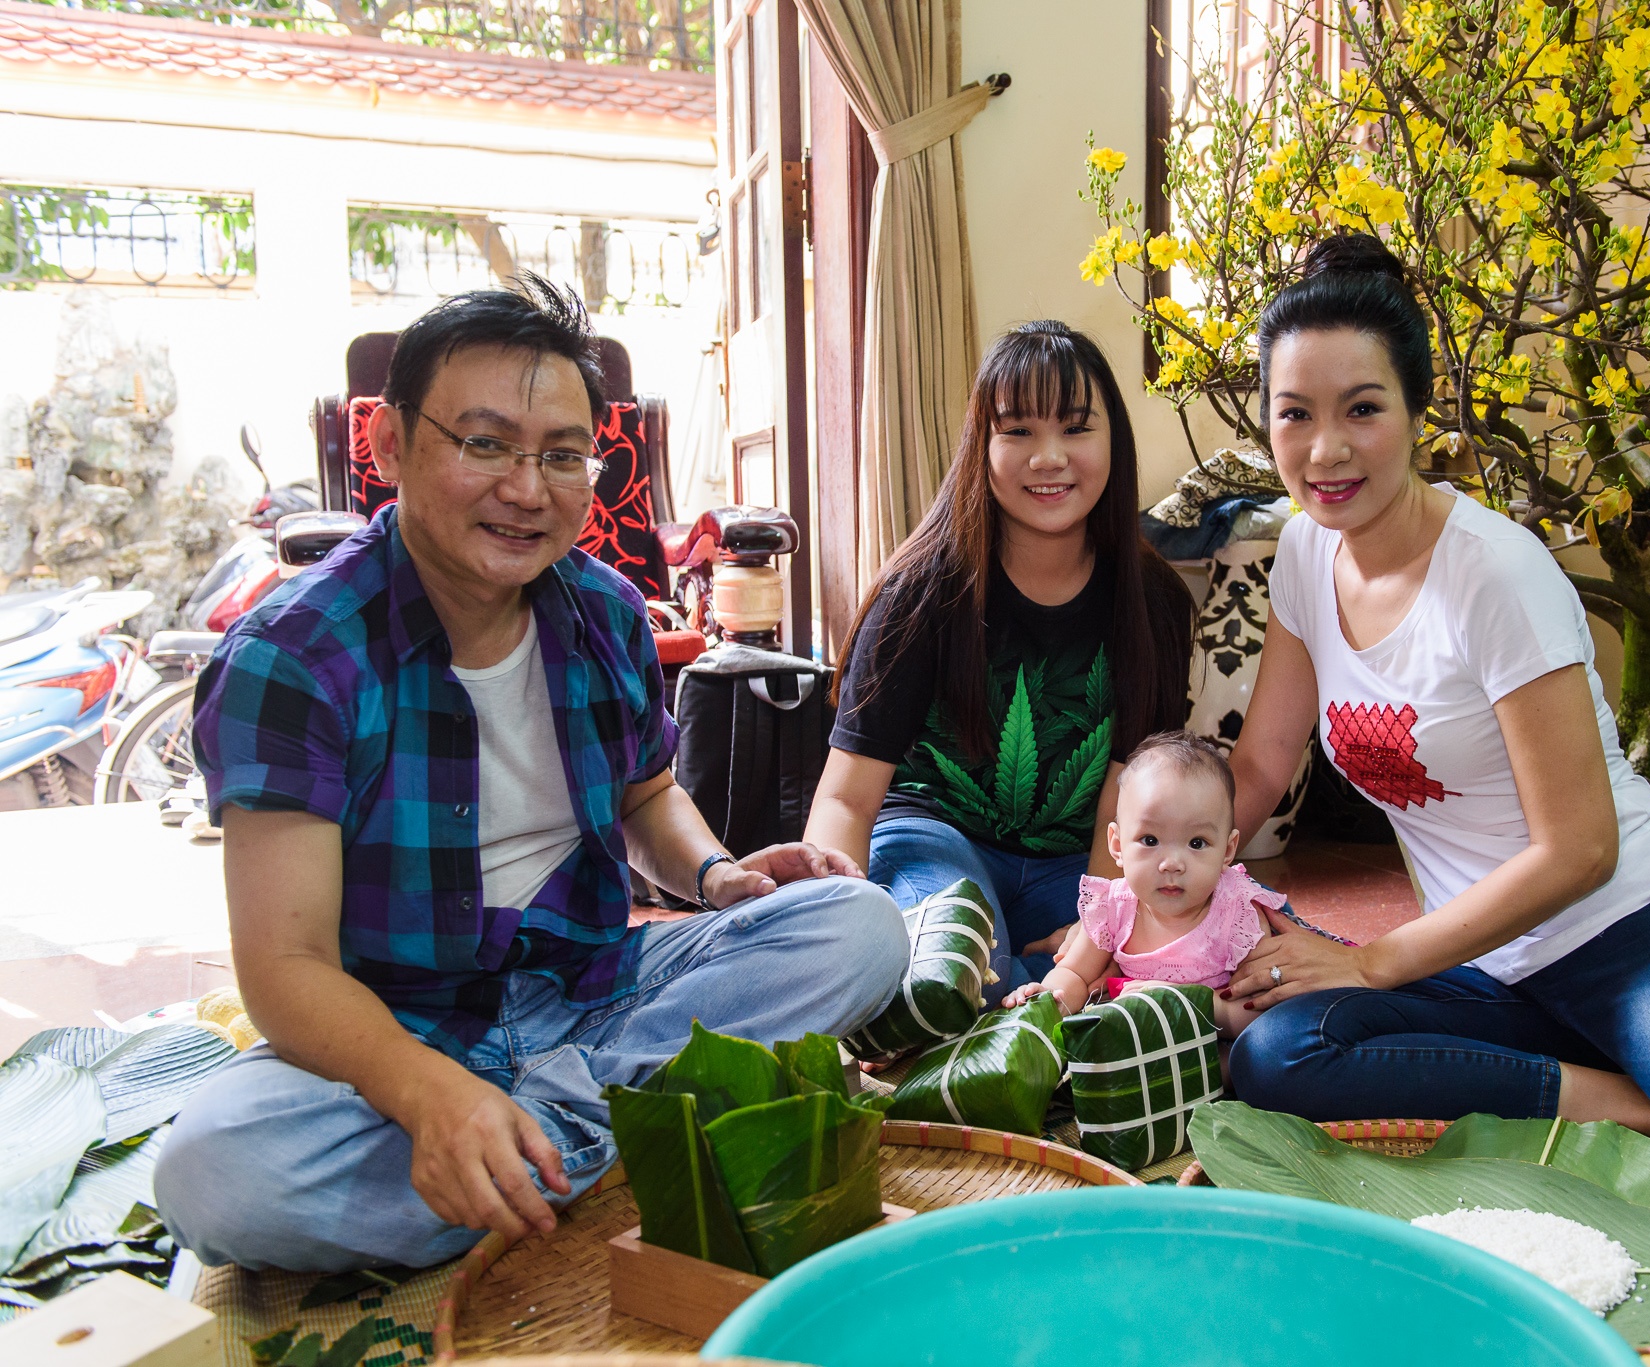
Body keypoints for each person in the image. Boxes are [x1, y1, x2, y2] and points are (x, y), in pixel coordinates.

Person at [154, 277, 907, 1273]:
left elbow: (647, 796)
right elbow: (285, 964)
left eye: (561, 454)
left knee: (860, 924)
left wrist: (719, 875)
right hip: (406, 1024)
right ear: (388, 444)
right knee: (212, 1171)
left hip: (596, 992)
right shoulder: (292, 656)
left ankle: (528, 1153)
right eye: (485, 443)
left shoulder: (603, 612)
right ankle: (613, 1138)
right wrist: (426, 1091)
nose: (526, 488)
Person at [1222, 233, 1650, 1135]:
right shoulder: (1304, 556)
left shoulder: (1495, 572)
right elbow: (1260, 764)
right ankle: (1641, 1101)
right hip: (1482, 964)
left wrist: (1373, 961)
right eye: (1294, 414)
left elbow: (1581, 848)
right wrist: (1127, 898)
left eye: (1362, 408)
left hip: (1629, 934)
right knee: (1277, 1050)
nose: (1326, 449)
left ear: (1418, 410)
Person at [805, 321, 1194, 1001]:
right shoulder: (919, 593)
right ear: (980, 446)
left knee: (1197, 949)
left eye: (1076, 428)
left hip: (1076, 865)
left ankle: (1024, 991)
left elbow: (1128, 791)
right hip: (931, 840)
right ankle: (1007, 990)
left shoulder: (1153, 599)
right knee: (954, 969)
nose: (1050, 457)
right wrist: (834, 937)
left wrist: (1097, 928)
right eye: (1018, 431)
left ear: (1114, 441)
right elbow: (845, 798)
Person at [1005, 730, 1280, 1042]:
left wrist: (1186, 1003)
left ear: (1228, 850)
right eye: (1150, 840)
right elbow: (1075, 973)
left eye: (1196, 842)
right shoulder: (1114, 907)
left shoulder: (1237, 914)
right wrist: (1048, 999)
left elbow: (1259, 1010)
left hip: (1209, 1046)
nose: (1172, 864)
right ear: (1117, 845)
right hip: (1134, 1048)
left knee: (1250, 1055)